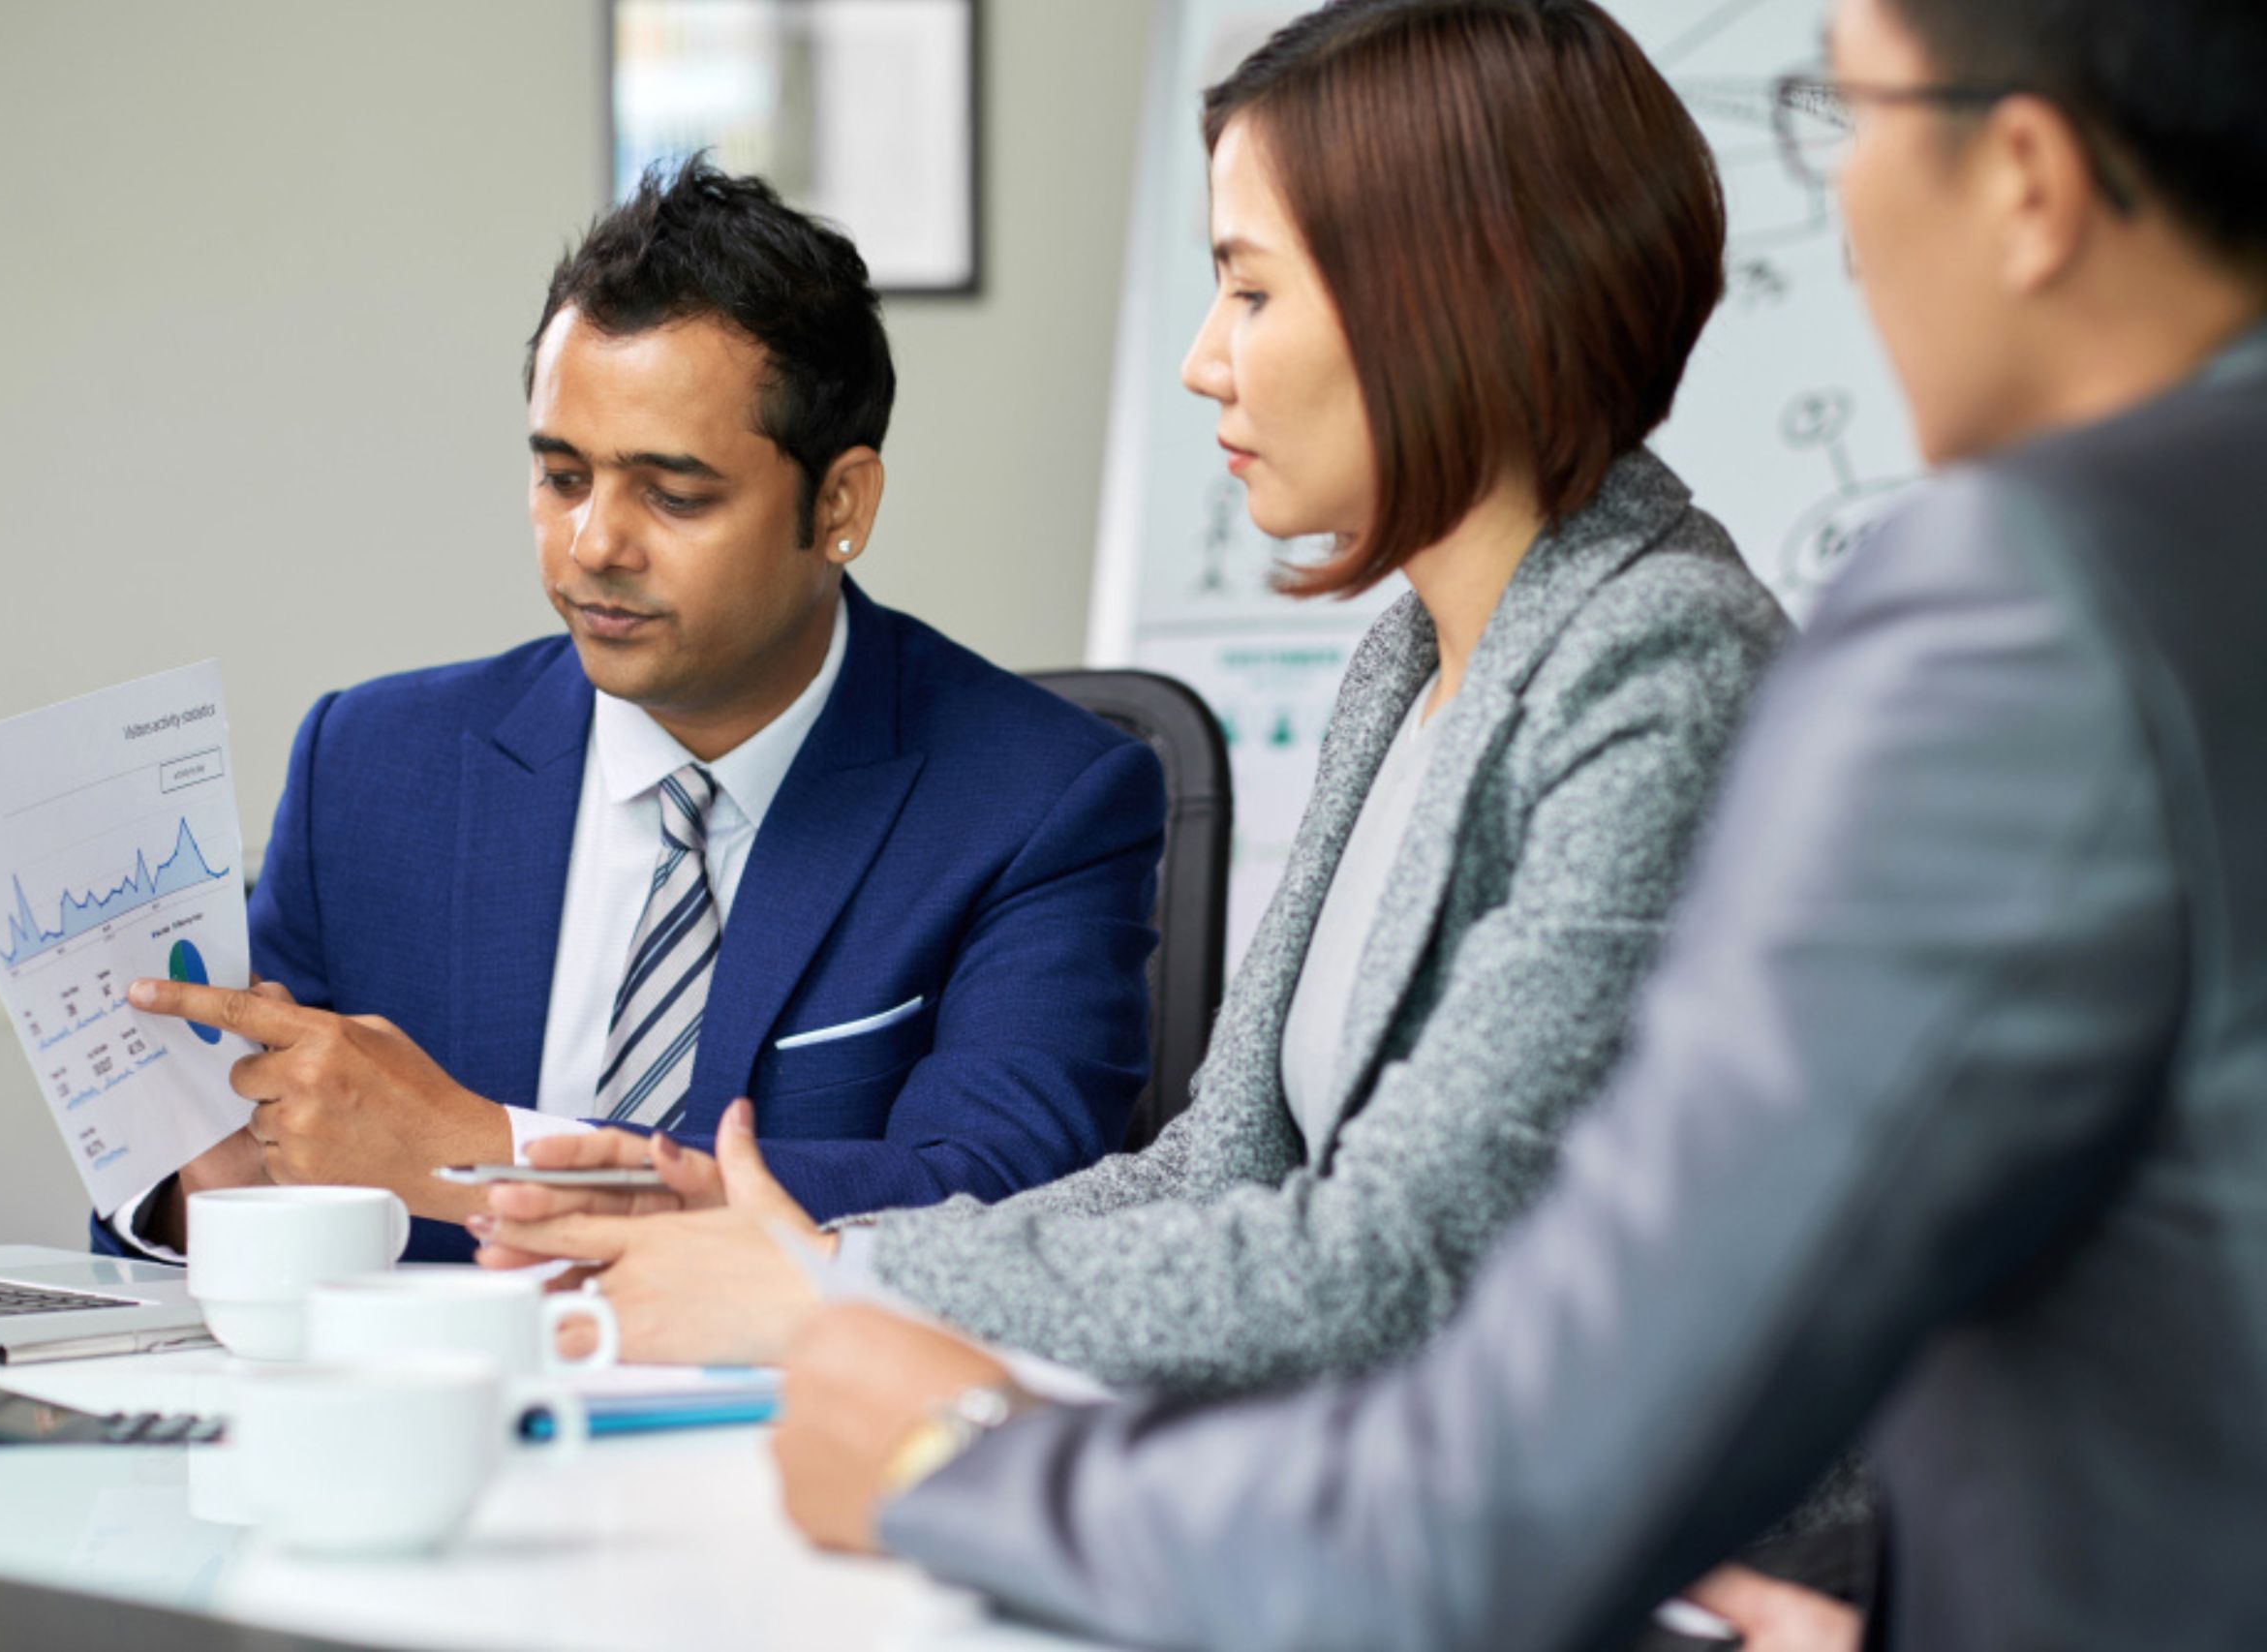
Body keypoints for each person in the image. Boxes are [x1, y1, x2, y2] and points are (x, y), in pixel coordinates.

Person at [766, 0, 2267, 1645]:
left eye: (1851, 120)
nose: (1836, 200)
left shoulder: (2010, 605)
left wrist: (952, 1455)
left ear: (2032, 181)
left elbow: (1475, 1430)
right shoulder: (1409, 652)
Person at [107, 158, 1168, 1262]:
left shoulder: (1041, 800)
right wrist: (219, 1184)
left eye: (673, 493)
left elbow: (997, 1197)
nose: (594, 545)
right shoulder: (368, 766)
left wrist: (481, 1148)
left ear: (839, 503)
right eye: (563, 477)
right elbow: (227, 1174)